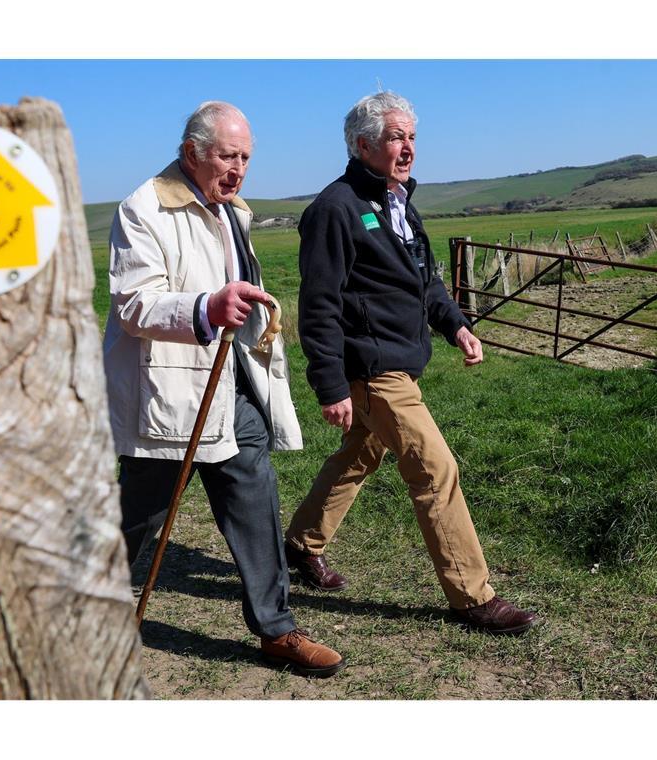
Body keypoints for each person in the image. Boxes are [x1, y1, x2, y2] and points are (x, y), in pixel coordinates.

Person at [103, 101, 345, 676]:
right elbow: (134, 304)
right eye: (227, 156)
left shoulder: (232, 209)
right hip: (167, 393)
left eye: (245, 158)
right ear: (192, 152)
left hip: (229, 383)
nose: (238, 169)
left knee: (255, 499)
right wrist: (205, 306)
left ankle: (276, 629)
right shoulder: (144, 208)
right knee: (140, 512)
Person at [283, 91, 537, 636]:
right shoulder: (335, 209)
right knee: (435, 467)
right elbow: (320, 303)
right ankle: (472, 596)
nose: (407, 149)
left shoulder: (398, 201)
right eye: (396, 137)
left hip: (400, 358)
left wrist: (457, 325)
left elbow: (427, 282)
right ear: (362, 144)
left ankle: (300, 545)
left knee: (358, 457)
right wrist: (330, 385)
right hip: (374, 368)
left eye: (412, 137)